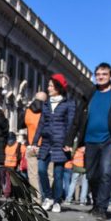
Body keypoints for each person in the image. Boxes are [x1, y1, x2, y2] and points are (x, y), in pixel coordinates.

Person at [64, 63, 111, 221]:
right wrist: (69, 139)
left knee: (106, 173)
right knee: (92, 175)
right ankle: (96, 204)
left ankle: (102, 208)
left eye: (104, 74)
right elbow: (77, 119)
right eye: (98, 74)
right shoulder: (89, 93)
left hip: (109, 140)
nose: (100, 77)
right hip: (90, 140)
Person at [31, 74, 75, 213]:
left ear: (58, 87)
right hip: (46, 142)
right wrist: (34, 141)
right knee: (41, 170)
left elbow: (71, 124)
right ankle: (48, 197)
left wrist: (68, 142)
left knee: (58, 174)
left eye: (50, 85)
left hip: (60, 142)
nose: (48, 88)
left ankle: (57, 201)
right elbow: (41, 123)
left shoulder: (69, 104)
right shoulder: (46, 104)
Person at [18, 92, 47, 194]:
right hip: (45, 146)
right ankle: (46, 197)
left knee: (33, 175)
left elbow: (20, 125)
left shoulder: (27, 111)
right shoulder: (47, 111)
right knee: (47, 174)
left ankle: (36, 199)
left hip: (31, 146)